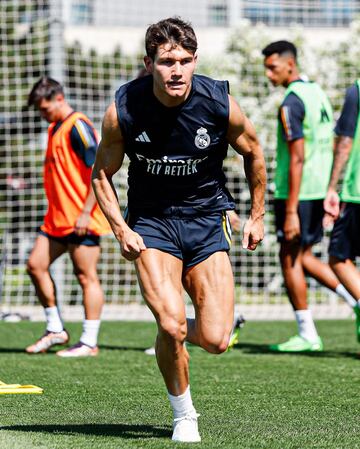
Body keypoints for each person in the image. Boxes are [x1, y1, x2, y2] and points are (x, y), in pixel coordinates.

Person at [92, 17, 266, 443]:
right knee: (171, 325)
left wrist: (258, 215)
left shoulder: (219, 102)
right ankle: (184, 414)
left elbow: (255, 152)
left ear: (195, 61)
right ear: (149, 62)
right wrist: (121, 230)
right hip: (153, 223)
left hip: (208, 220)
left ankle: (185, 328)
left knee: (216, 339)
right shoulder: (125, 108)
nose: (177, 71)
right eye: (167, 61)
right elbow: (101, 175)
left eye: (185, 61)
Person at [262, 40, 355, 353]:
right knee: (303, 256)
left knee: (289, 259)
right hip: (316, 191)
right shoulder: (317, 93)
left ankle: (307, 333)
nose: (268, 73)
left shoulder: (291, 102)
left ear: (290, 64)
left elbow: (297, 157)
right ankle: (353, 300)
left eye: (272, 66)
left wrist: (289, 210)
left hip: (296, 194)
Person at [26, 77, 111, 357]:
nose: (43, 114)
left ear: (60, 98)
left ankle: (89, 341)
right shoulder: (54, 128)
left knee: (86, 276)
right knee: (35, 265)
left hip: (82, 218)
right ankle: (55, 329)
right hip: (57, 220)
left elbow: (98, 171)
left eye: (46, 108)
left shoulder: (79, 127)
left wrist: (87, 212)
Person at [324, 80, 360, 342]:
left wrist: (332, 186)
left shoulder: (357, 89)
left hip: (357, 191)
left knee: (338, 257)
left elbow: (345, 141)